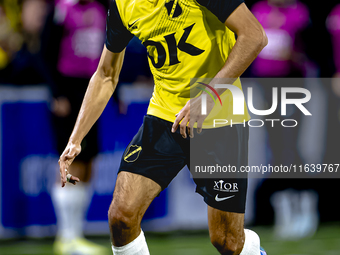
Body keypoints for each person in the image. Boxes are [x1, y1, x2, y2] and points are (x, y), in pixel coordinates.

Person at [58, 0, 268, 254]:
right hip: (165, 116)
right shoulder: (123, 5)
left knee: (227, 242)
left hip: (220, 116)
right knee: (121, 216)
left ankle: (251, 248)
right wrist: (75, 138)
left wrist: (210, 94)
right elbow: (106, 74)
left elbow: (254, 36)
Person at [47, 0, 108, 254]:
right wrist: (56, 93)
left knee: (89, 162)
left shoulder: (99, 8)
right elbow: (45, 51)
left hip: (92, 91)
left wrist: (116, 96)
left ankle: (75, 234)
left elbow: (109, 57)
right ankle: (66, 236)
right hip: (68, 93)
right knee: (69, 159)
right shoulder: (62, 9)